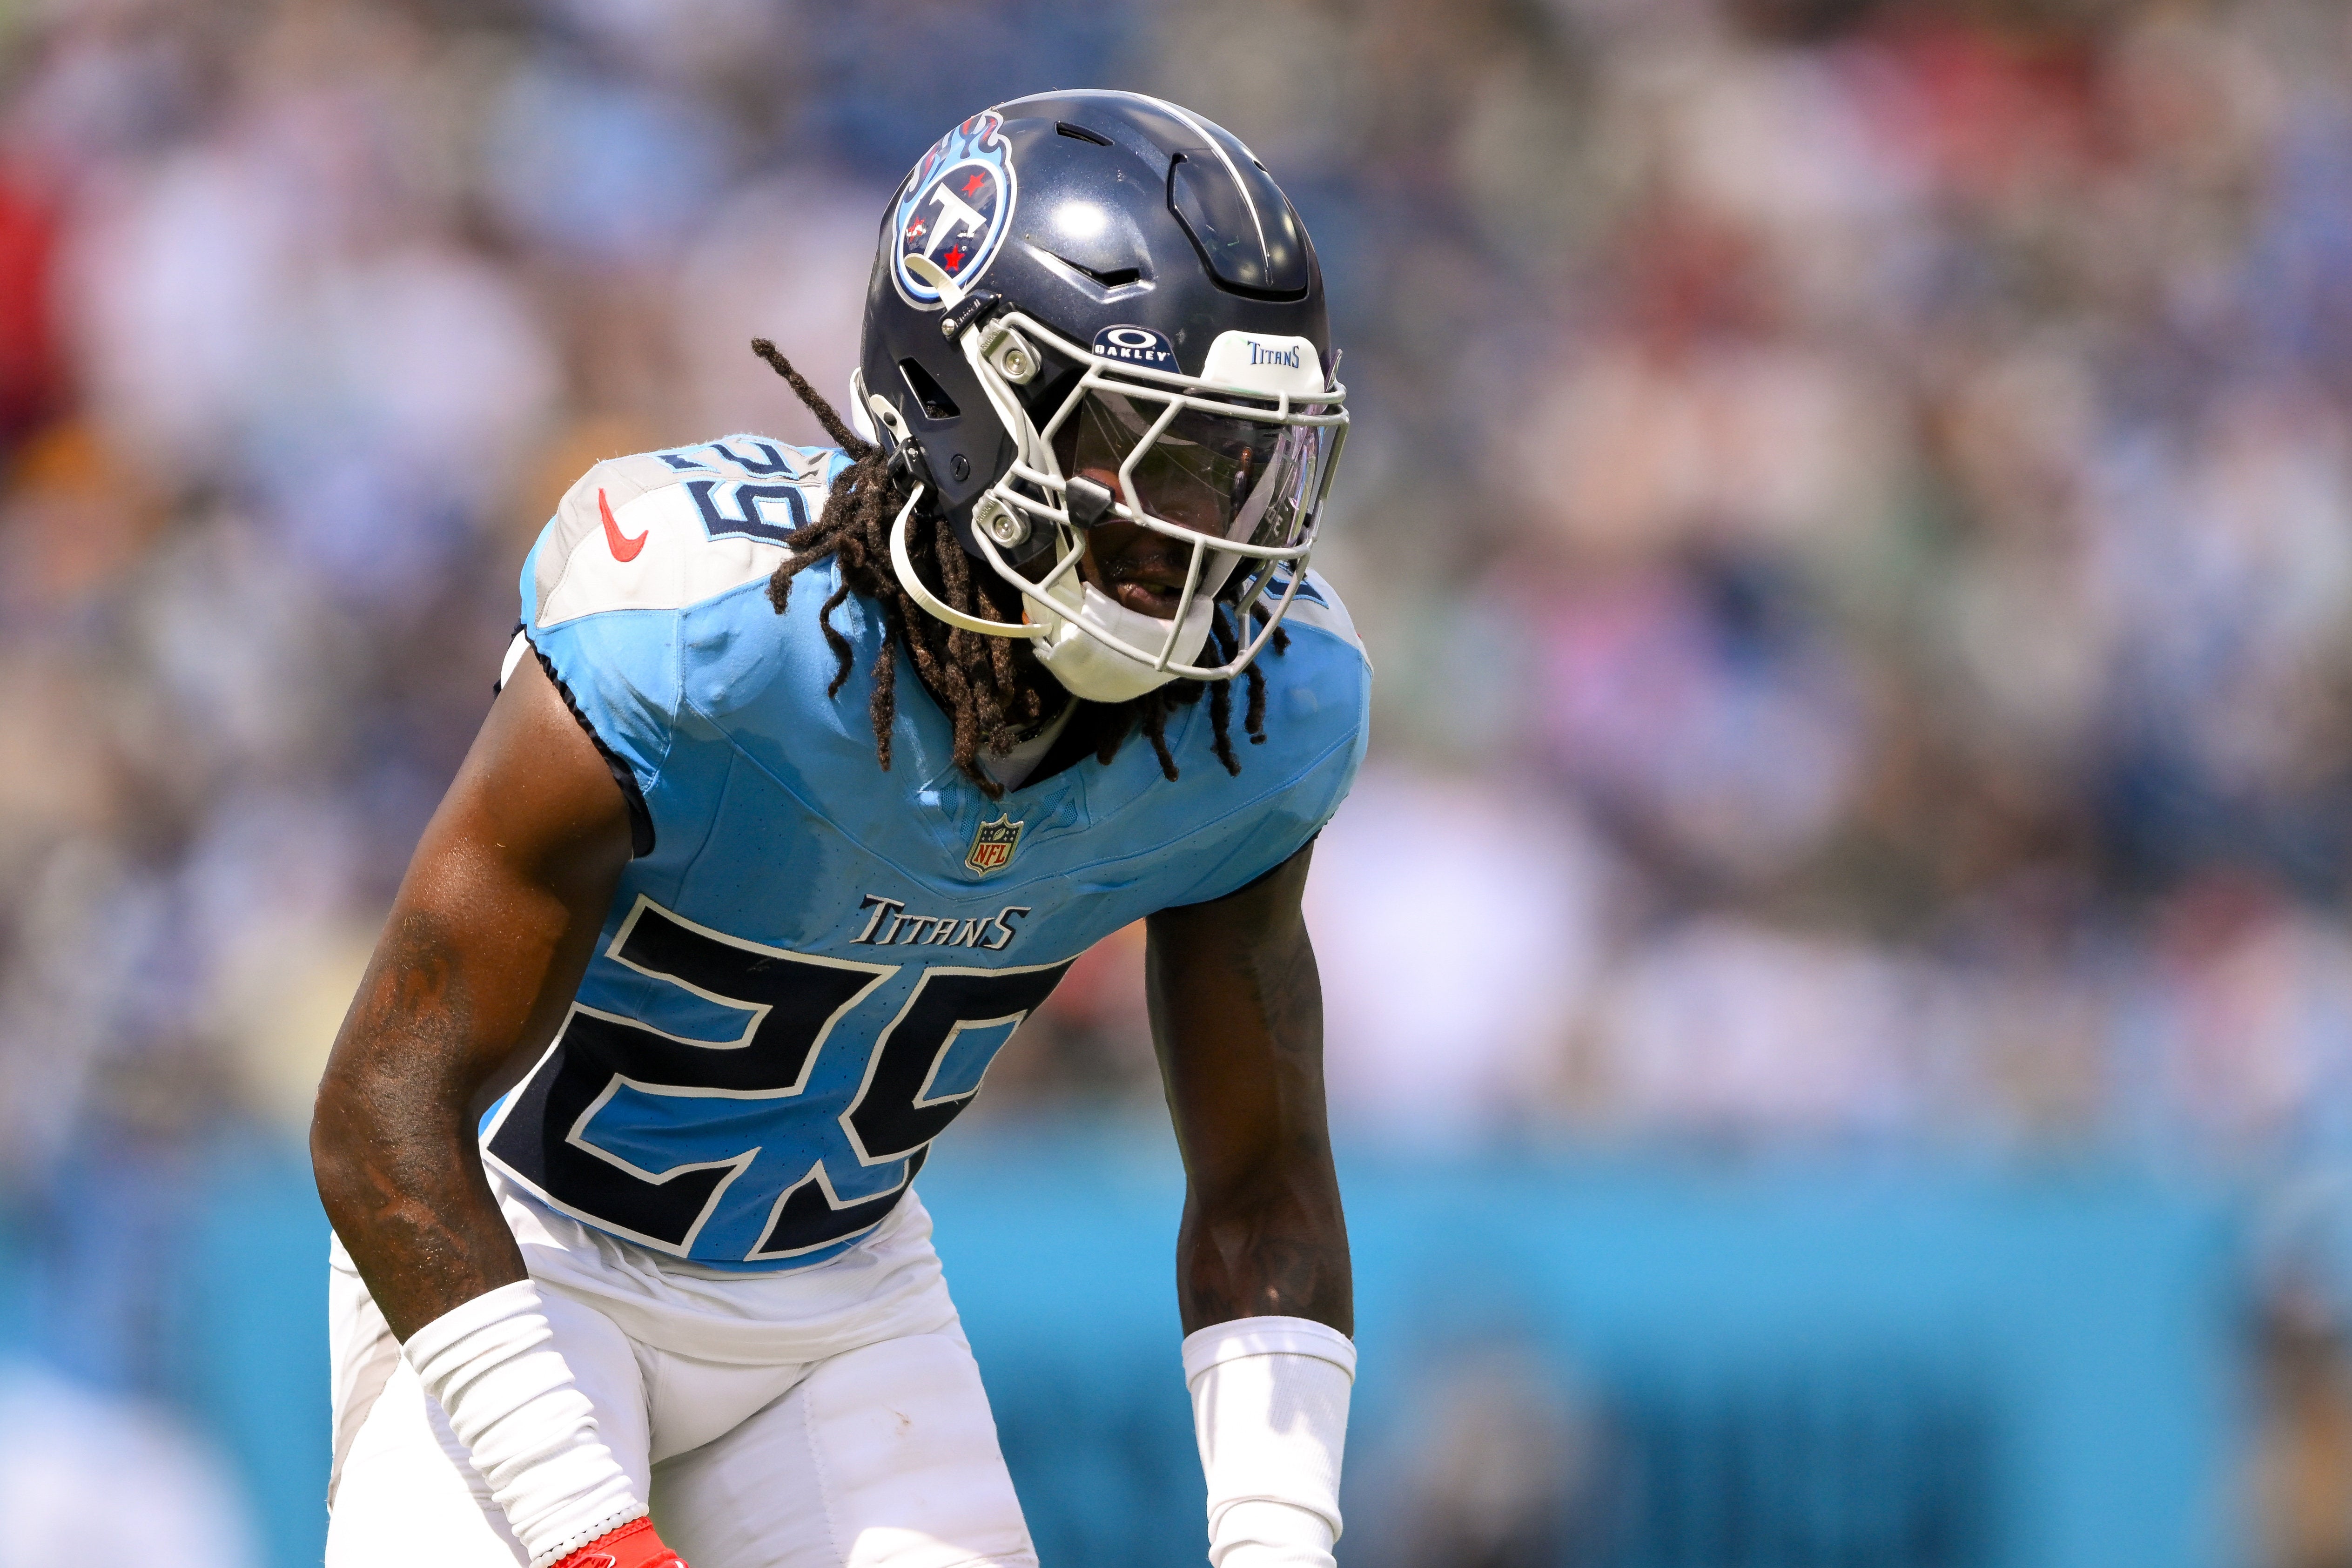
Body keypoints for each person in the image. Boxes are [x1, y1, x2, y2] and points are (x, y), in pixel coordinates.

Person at [311, 90, 1368, 1568]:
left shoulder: (1254, 717)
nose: (1218, 530)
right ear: (969, 399)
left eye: (1255, 463)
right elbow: (379, 1116)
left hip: (833, 1291)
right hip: (520, 1247)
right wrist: (587, 1535)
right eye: (1167, 452)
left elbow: (1262, 1183)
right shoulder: (700, 637)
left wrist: (1279, 1544)